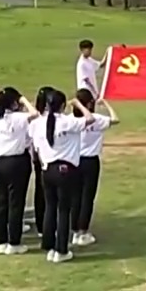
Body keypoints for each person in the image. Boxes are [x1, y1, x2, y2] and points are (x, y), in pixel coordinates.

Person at [30, 88, 95, 263]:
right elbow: (90, 119)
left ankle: (49, 245)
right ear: (62, 105)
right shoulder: (67, 122)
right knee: (63, 211)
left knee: (50, 208)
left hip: (47, 169)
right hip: (65, 170)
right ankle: (61, 250)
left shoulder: (38, 123)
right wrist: (79, 104)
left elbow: (35, 146)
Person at [0, 86, 39, 254]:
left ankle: (2, 241)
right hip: (17, 161)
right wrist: (23, 99)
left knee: (1, 202)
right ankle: (14, 242)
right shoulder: (18, 118)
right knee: (16, 202)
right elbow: (34, 114)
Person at [71, 90, 117, 246]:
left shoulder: (70, 120)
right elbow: (115, 119)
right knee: (87, 198)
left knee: (75, 196)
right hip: (90, 162)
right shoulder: (97, 119)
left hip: (74, 161)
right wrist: (106, 104)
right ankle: (82, 232)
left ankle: (74, 230)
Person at [31, 86, 52, 236]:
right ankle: (48, 226)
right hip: (50, 159)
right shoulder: (52, 120)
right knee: (49, 195)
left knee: (40, 191)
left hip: (38, 158)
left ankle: (41, 225)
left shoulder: (35, 121)